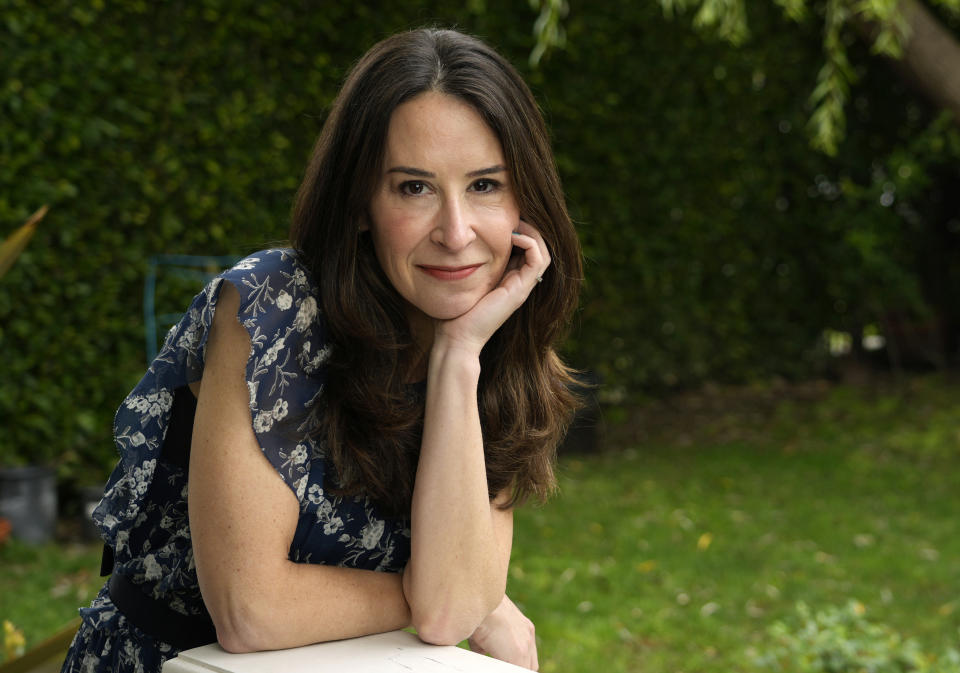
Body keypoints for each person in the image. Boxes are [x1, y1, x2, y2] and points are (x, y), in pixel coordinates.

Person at [61, 27, 582, 673]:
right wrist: (450, 596)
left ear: (525, 199)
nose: (456, 231)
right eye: (413, 187)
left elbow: (448, 611)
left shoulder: (493, 339)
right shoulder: (271, 307)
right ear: (361, 201)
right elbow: (251, 612)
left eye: (484, 186)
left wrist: (458, 357)